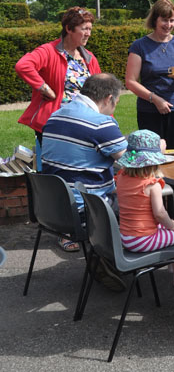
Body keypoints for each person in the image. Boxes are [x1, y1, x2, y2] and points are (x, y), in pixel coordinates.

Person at [41, 73, 128, 255]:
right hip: (86, 210)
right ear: (109, 99)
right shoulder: (101, 123)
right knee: (143, 198)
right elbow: (132, 162)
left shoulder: (55, 116)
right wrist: (156, 147)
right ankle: (131, 256)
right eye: (116, 103)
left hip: (51, 209)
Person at [15, 7, 101, 168]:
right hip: (55, 124)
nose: (89, 33)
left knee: (82, 168)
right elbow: (23, 65)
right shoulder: (48, 51)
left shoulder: (89, 58)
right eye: (84, 29)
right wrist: (44, 87)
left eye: (90, 29)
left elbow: (101, 90)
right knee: (57, 170)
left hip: (85, 124)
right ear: (69, 29)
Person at [115, 130, 174, 289]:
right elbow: (159, 213)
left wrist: (166, 225)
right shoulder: (151, 184)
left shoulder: (122, 176)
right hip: (141, 240)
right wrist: (171, 225)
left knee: (164, 229)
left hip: (125, 236)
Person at [125, 0, 174, 151]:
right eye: (164, 20)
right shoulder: (140, 46)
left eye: (172, 20)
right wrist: (155, 99)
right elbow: (130, 82)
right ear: (155, 20)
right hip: (150, 110)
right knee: (152, 154)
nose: (169, 25)